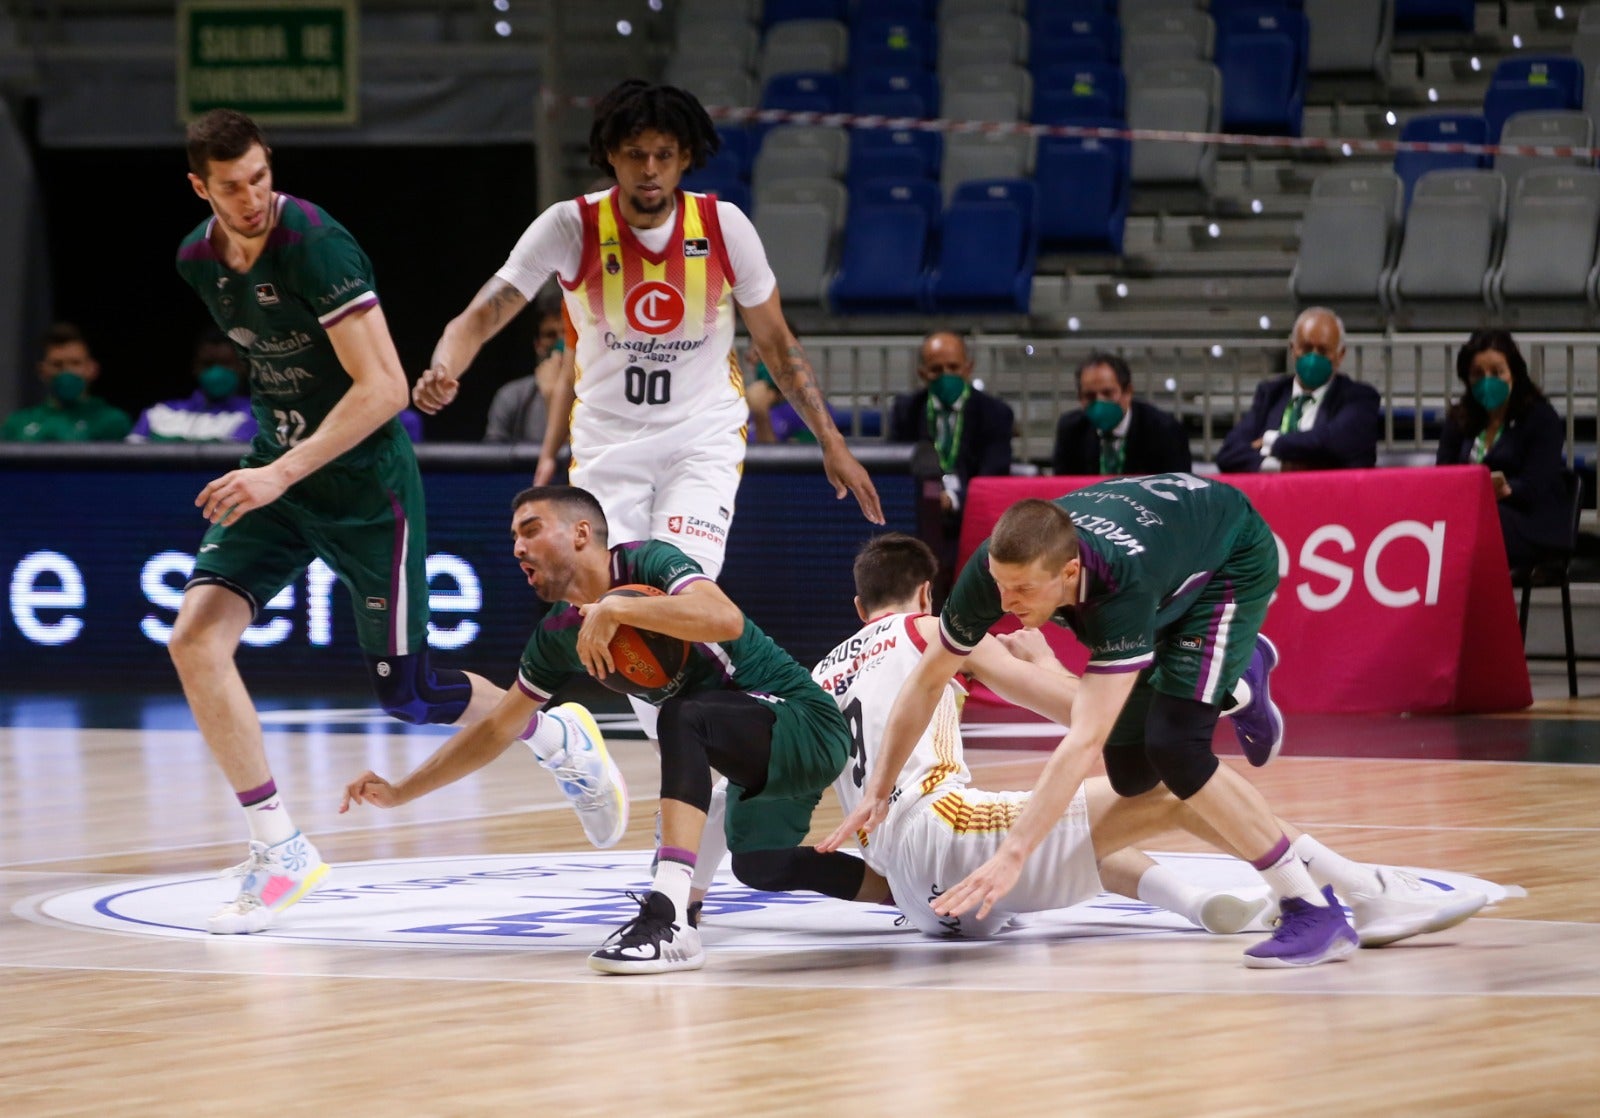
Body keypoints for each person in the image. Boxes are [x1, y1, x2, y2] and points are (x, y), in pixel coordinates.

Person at [168, 109, 612, 937]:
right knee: (195, 639)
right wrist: (276, 468)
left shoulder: (319, 245)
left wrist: (276, 472)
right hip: (285, 474)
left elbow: (383, 392)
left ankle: (551, 733)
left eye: (262, 176)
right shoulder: (198, 259)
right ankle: (279, 849)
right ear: (202, 189)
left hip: (367, 488)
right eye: (232, 187)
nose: (253, 196)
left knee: (406, 697)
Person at [821, 478, 1486, 967]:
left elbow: (1080, 735)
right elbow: (926, 680)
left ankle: (1309, 906)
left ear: (1070, 574)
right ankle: (1229, 684)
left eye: (1023, 592)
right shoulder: (985, 582)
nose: (1006, 603)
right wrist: (877, 789)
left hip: (1228, 557)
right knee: (1133, 772)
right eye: (999, 585)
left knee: (1176, 750)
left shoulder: (1120, 589)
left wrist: (1015, 852)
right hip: (1163, 552)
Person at [341, 486, 854, 976]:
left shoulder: (648, 562)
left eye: (531, 529)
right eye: (513, 538)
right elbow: (497, 726)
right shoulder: (556, 636)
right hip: (752, 762)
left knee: (683, 716)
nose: (518, 547)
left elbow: (725, 619)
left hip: (805, 722)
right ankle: (915, 898)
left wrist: (618, 606)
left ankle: (668, 919)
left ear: (581, 533)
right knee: (762, 868)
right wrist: (403, 790)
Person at [414, 78, 883, 585]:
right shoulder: (570, 226)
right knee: (611, 597)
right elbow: (482, 314)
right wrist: (444, 366)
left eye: (664, 154)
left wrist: (830, 441)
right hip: (607, 438)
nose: (651, 169)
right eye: (636, 154)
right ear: (611, 155)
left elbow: (776, 343)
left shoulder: (724, 227)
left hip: (700, 435)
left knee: (681, 588)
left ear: (685, 157)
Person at [1436, 330, 1570, 569]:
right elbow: (1443, 475)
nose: (1488, 381)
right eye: (1478, 374)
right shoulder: (1460, 419)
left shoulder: (1540, 418)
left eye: (1497, 372)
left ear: (1514, 374)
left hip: (1531, 523)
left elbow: (1537, 485)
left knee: (1477, 524)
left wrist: (1504, 489)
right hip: (1472, 516)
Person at [1214, 307, 1381, 473]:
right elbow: (1228, 453)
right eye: (1307, 348)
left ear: (1340, 354)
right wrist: (1277, 467)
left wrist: (1271, 441)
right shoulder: (1271, 394)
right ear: (1293, 349)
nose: (1313, 358)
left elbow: (1333, 443)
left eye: (1323, 351)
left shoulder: (1360, 398)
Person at [888, 330, 1014, 522]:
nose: (946, 376)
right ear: (922, 373)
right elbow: (897, 469)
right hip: (919, 513)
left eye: (953, 367)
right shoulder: (906, 410)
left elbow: (993, 475)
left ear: (968, 368)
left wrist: (953, 499)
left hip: (974, 513)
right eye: (936, 369)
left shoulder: (995, 413)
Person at [1051, 352, 1191, 477]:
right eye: (1089, 396)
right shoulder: (1071, 431)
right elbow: (1063, 491)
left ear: (1128, 392)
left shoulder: (1165, 430)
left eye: (1108, 393)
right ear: (1080, 398)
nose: (1099, 403)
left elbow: (1178, 493)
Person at [1, 322, 132, 442]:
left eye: (75, 363)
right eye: (57, 364)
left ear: (92, 369)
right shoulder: (17, 424)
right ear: (42, 371)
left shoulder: (112, 422)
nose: (66, 371)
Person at [127, 329, 255, 443]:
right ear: (195, 367)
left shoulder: (256, 416)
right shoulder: (157, 413)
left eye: (225, 363)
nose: (216, 372)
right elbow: (128, 459)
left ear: (242, 366)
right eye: (208, 364)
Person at [484, 298, 565, 444]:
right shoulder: (512, 396)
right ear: (538, 345)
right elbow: (492, 461)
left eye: (567, 334)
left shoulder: (594, 395)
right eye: (550, 335)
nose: (560, 344)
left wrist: (552, 396)